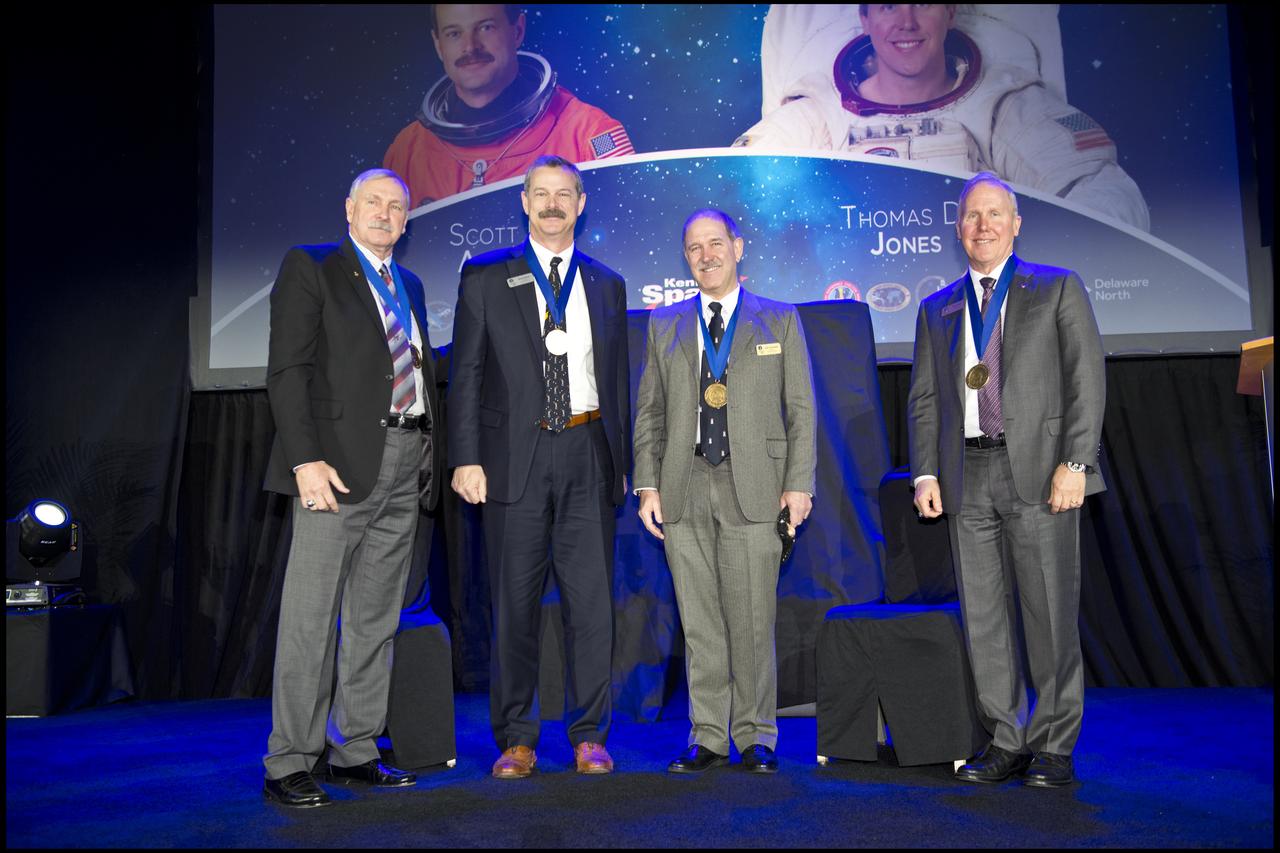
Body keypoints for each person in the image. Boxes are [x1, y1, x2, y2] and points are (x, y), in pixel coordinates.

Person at [907, 171, 1105, 787]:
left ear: (1016, 223)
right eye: (971, 216)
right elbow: (923, 400)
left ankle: (1053, 744)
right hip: (967, 472)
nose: (983, 225)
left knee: (1049, 612)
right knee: (985, 617)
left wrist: (1076, 464)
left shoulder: (1057, 288)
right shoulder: (937, 306)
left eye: (995, 214)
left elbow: (1086, 382)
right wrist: (924, 473)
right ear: (959, 227)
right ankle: (1006, 737)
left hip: (1042, 473)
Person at [261, 168, 443, 807]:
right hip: (335, 468)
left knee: (373, 619)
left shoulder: (412, 284)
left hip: (405, 460)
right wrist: (303, 459)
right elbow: (287, 371)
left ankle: (356, 750)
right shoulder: (311, 266)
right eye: (374, 202)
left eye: (397, 207)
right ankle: (289, 759)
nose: (386, 214)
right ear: (349, 209)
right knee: (310, 619)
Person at [448, 154, 631, 778]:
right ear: (523, 202)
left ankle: (589, 736)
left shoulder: (607, 283)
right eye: (541, 194)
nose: (553, 204)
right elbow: (465, 376)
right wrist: (466, 457)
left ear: (581, 204)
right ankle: (517, 740)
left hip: (587, 452)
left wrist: (624, 462)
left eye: (565, 194)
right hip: (509, 462)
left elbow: (619, 384)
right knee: (514, 606)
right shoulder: (484, 276)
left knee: (591, 607)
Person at [633, 209, 817, 774]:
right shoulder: (664, 324)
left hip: (755, 487)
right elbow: (650, 413)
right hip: (683, 486)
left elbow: (802, 411)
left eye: (716, 244)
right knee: (700, 620)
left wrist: (799, 485)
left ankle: (757, 734)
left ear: (739, 247)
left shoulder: (779, 320)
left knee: (752, 619)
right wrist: (646, 485)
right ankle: (708, 734)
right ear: (686, 258)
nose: (706, 256)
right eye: (694, 248)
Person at [736, 4, 1150, 231]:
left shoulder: (1003, 104)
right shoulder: (816, 113)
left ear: (951, 12)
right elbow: (735, 189)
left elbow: (1110, 201)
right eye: (887, 6)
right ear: (865, 19)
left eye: (923, 3)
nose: (906, 21)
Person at [384, 4, 634, 208]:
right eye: (454, 33)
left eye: (486, 27)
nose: (470, 47)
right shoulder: (407, 152)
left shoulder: (591, 134)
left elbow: (634, 227)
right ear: (439, 45)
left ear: (517, 31)